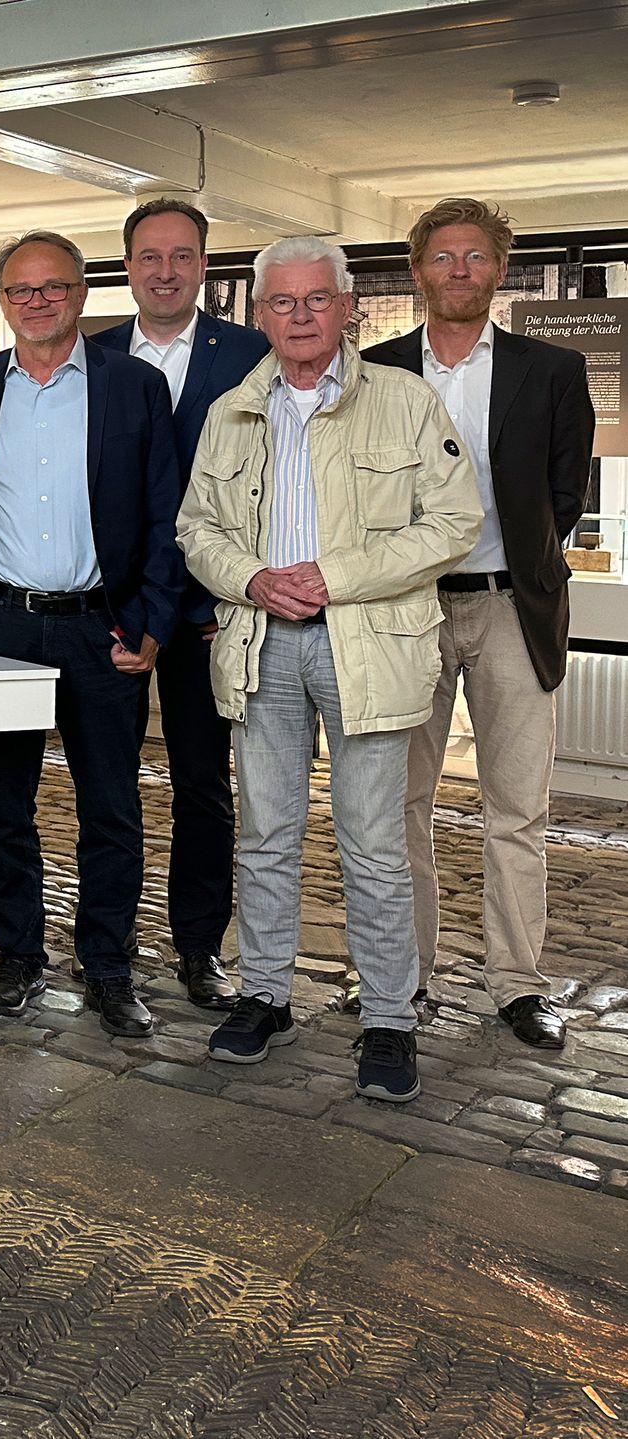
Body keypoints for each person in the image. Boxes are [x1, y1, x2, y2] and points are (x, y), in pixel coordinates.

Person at [177, 235, 481, 1103]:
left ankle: (388, 1017)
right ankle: (266, 995)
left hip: (368, 647)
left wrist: (333, 576)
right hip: (260, 644)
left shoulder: (406, 401)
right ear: (261, 313)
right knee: (265, 834)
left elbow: (452, 523)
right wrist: (251, 578)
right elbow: (197, 528)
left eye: (318, 299)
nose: (301, 315)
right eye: (283, 301)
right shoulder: (232, 410)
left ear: (347, 308)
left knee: (374, 843)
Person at [364, 198, 596, 1049]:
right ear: (417, 271)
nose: (458, 270)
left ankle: (518, 984)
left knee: (517, 808)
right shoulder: (376, 371)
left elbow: (565, 494)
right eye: (442, 256)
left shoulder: (553, 369)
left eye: (474, 256)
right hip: (404, 612)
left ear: (500, 269)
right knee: (396, 806)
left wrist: (522, 562)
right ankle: (402, 978)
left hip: (511, 608)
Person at [0, 229, 186, 1039]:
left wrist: (151, 621)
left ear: (82, 294)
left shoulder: (134, 385)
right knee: (4, 805)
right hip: (3, 626)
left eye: (54, 286)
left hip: (102, 629)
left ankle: (108, 965)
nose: (38, 301)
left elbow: (166, 514)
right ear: (3, 300)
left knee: (111, 807)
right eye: (21, 289)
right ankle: (18, 957)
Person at [92, 198, 271, 1010]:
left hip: (212, 614)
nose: (165, 271)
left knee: (204, 785)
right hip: (113, 611)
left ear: (204, 265)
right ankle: (109, 948)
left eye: (182, 256)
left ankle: (200, 948)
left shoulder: (252, 353)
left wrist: (249, 583)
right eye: (150, 257)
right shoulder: (90, 356)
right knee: (109, 786)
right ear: (127, 266)